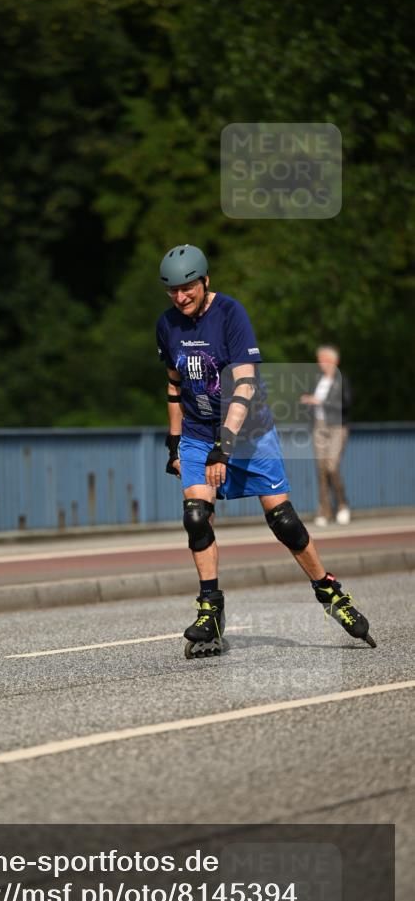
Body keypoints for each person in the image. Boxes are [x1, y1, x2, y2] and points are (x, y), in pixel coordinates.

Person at [155, 244, 374, 655]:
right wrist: (174, 442)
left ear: (205, 281)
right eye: (173, 291)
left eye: (187, 288)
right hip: (198, 433)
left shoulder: (230, 314)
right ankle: (210, 610)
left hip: (249, 433)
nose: (180, 297)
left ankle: (330, 592)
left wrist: (225, 446)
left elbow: (245, 384)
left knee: (284, 521)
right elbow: (173, 385)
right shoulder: (167, 325)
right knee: (196, 516)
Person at [299, 345, 352, 527]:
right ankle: (325, 511)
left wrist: (321, 401)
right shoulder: (318, 379)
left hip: (337, 427)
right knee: (321, 469)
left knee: (331, 466)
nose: (320, 363)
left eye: (323, 359)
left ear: (334, 361)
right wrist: (307, 401)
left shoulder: (341, 379)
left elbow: (346, 403)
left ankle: (342, 505)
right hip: (319, 426)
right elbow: (312, 400)